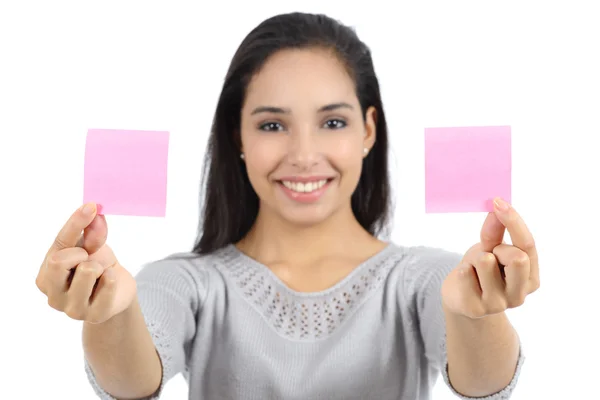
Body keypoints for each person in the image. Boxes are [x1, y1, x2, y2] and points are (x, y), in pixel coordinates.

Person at [35, 12, 539, 400]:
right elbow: (130, 380)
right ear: (238, 134)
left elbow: (483, 382)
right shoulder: (186, 284)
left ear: (368, 129)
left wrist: (475, 315)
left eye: (333, 122)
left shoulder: (428, 280)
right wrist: (110, 314)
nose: (302, 156)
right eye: (272, 124)